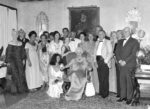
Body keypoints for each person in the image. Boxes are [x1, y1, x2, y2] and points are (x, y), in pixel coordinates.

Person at [116, 27, 139, 105]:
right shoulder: (120, 41)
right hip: (121, 64)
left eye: (127, 31)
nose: (125, 32)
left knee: (129, 82)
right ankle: (123, 96)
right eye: (124, 31)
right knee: (122, 81)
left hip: (129, 65)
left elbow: (133, 54)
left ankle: (129, 98)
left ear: (130, 32)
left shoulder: (135, 41)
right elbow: (116, 52)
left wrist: (125, 61)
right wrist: (119, 60)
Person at [5, 29, 27, 94]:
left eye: (16, 34)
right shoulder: (10, 43)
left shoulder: (20, 43)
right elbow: (8, 53)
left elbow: (23, 52)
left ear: (17, 35)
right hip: (12, 61)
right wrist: (8, 62)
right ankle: (15, 90)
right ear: (12, 35)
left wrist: (23, 60)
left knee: (21, 74)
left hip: (19, 60)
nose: (15, 35)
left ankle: (22, 89)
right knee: (15, 75)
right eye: (13, 34)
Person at [95, 30, 113, 98]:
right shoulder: (97, 42)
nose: (100, 35)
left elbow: (110, 52)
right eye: (99, 34)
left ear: (104, 34)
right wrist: (95, 61)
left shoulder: (107, 42)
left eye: (102, 34)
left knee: (104, 78)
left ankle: (105, 93)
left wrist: (106, 61)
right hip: (98, 61)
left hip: (104, 61)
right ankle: (101, 91)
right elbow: (95, 52)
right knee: (100, 77)